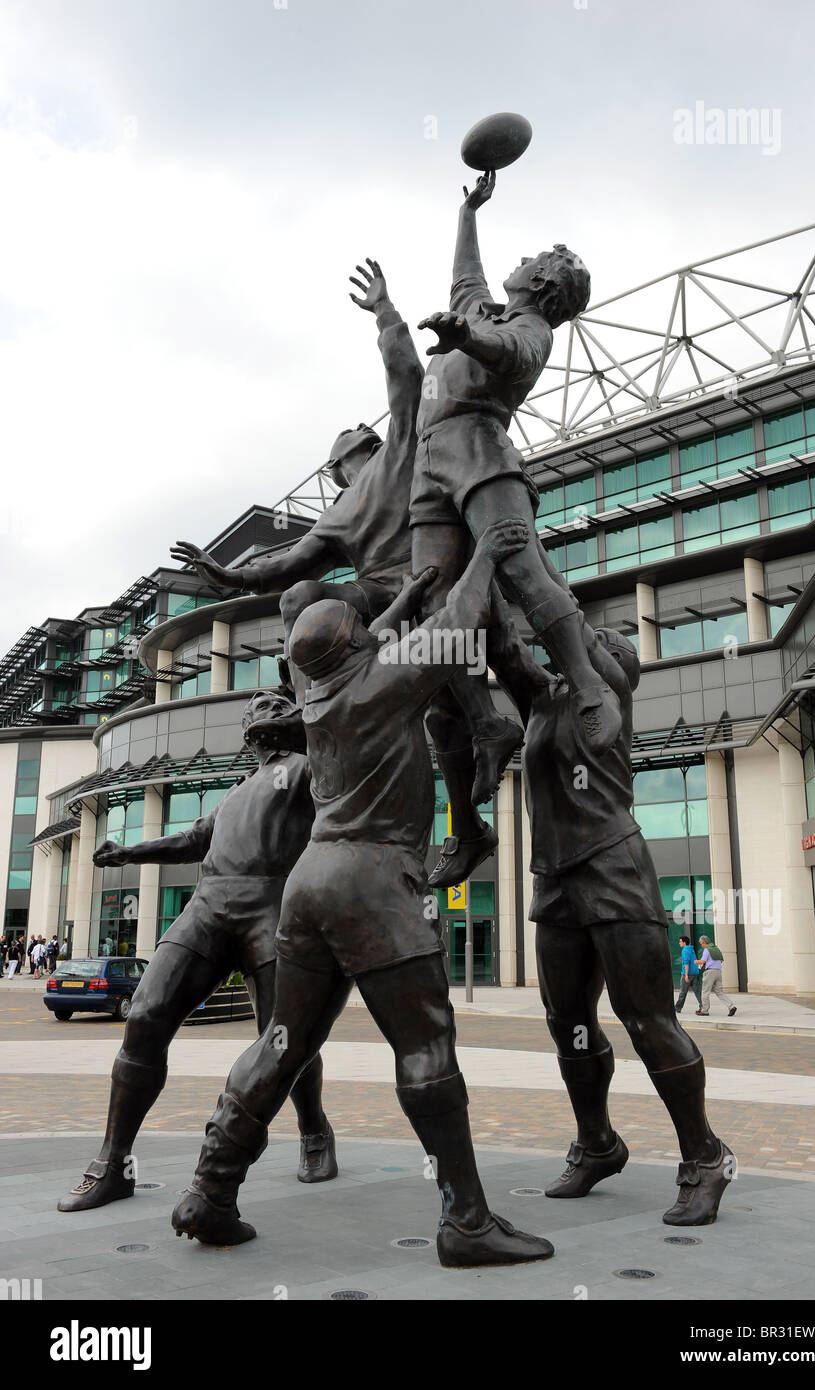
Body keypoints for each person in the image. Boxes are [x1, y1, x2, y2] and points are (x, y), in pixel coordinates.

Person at [171, 519, 554, 1269]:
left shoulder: (315, 689)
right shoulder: (385, 682)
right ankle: (467, 1221)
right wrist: (486, 552)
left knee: (282, 1042)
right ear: (358, 650)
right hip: (371, 881)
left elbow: (366, 636)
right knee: (425, 1043)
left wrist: (402, 592)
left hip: (308, 885)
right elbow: (460, 623)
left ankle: (209, 1192)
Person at [171, 261, 543, 888]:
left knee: (437, 695)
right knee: (311, 604)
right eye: (348, 455)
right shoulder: (347, 507)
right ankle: (329, 709)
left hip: (430, 585)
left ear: (350, 458)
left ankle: (474, 788)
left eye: (347, 453)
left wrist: (387, 316)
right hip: (389, 597)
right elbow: (287, 567)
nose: (349, 463)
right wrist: (228, 578)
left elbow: (405, 379)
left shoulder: (403, 450)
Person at [57, 689, 335, 1213]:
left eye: (279, 703)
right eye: (261, 705)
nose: (268, 707)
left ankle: (314, 1129)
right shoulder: (234, 792)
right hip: (207, 907)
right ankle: (113, 1163)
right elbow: (191, 840)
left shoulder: (306, 769)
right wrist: (129, 851)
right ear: (247, 727)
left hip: (271, 906)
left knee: (282, 1037)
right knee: (144, 1015)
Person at [409, 170, 622, 774]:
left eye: (533, 257)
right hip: (431, 461)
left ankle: (587, 686)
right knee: (430, 595)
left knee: (522, 568)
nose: (523, 257)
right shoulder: (485, 308)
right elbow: (466, 275)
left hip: (479, 446)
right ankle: (486, 723)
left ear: (542, 281)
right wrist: (468, 212)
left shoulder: (530, 329)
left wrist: (466, 337)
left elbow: (510, 355)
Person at [520, 628, 735, 1226]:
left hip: (613, 865)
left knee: (645, 1019)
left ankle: (706, 1156)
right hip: (555, 877)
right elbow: (505, 650)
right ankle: (598, 1144)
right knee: (569, 1023)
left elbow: (567, 637)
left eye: (596, 646)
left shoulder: (607, 689)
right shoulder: (541, 701)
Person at [696, 936, 737, 1017]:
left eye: (701, 944)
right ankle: (731, 1006)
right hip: (718, 972)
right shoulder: (716, 949)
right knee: (719, 992)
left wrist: (695, 961)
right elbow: (721, 960)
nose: (701, 945)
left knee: (705, 991)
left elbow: (702, 961)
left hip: (710, 972)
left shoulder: (707, 949)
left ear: (704, 942)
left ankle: (704, 1010)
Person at [675, 935, 703, 1014]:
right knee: (698, 992)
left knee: (683, 992)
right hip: (694, 973)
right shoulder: (691, 949)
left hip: (687, 974)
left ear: (684, 942)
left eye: (680, 941)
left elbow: (686, 963)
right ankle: (703, 1007)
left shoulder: (685, 950)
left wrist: (686, 975)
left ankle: (677, 1008)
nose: (679, 943)